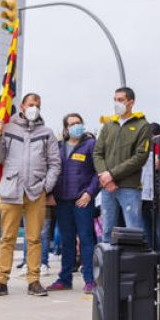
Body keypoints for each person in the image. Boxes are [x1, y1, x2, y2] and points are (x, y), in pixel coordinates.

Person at [0, 93, 61, 298]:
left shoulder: (47, 133)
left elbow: (55, 163)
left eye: (37, 104)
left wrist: (46, 186)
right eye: (30, 104)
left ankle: (33, 280)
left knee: (35, 238)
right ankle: (1, 281)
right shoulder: (8, 129)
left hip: (36, 192)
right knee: (7, 238)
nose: (33, 107)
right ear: (22, 106)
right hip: (11, 190)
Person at [48, 113, 100, 293]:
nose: (76, 126)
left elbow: (98, 172)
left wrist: (89, 193)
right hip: (63, 202)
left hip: (82, 202)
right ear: (65, 129)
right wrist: (52, 193)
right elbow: (53, 170)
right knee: (66, 241)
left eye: (79, 123)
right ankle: (65, 279)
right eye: (72, 124)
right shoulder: (58, 147)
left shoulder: (90, 145)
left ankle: (89, 279)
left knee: (86, 240)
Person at [94, 87, 152, 241]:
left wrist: (112, 174)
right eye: (115, 100)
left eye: (120, 100)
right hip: (107, 188)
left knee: (134, 230)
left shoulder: (142, 125)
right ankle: (108, 264)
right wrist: (105, 176)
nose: (116, 103)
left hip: (130, 187)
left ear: (131, 102)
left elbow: (140, 157)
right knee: (106, 231)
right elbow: (97, 153)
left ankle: (134, 264)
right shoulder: (108, 125)